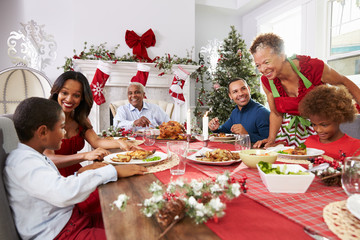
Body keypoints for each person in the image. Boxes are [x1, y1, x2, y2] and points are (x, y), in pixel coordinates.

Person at [4, 97, 147, 239]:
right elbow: (63, 193)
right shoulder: (22, 162)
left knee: (129, 217)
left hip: (71, 219)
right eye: (61, 128)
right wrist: (112, 171)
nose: (65, 133)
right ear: (42, 132)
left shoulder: (32, 156)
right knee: (129, 234)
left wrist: (79, 173)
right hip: (61, 233)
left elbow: (50, 184)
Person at [250, 33, 360, 148]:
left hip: (319, 129)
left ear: (282, 55)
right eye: (258, 65)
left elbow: (344, 82)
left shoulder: (312, 67)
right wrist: (271, 139)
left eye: (266, 62)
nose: (262, 69)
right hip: (288, 134)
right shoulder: (267, 81)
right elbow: (276, 114)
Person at [45, 71, 139, 177]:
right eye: (64, 93)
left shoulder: (81, 119)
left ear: (82, 98)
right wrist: (86, 155)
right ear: (57, 92)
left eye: (76, 95)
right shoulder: (45, 119)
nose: (69, 99)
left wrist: (121, 143)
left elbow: (96, 141)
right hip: (53, 177)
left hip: (77, 173)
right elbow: (50, 159)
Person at [299, 85, 360, 160]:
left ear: (339, 119)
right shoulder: (310, 141)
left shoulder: (355, 146)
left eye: (324, 125)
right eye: (314, 124)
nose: (318, 130)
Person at [208, 78, 270, 143]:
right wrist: (215, 129)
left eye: (243, 89)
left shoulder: (262, 113)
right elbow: (224, 131)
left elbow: (269, 142)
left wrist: (246, 135)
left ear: (249, 89)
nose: (240, 94)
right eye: (235, 91)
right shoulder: (235, 112)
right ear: (230, 96)